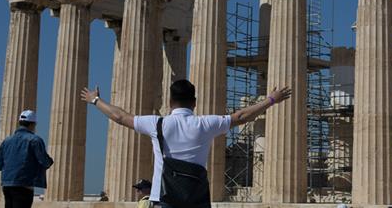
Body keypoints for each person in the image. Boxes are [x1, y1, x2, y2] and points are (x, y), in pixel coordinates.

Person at [82, 79, 291, 206]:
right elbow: (242, 116)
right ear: (195, 102)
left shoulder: (158, 124)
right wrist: (272, 99)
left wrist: (95, 100)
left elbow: (120, 117)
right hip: (196, 198)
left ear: (170, 102)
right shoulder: (205, 124)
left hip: (163, 197)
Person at [0, 110, 53, 208]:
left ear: (19, 123)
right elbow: (44, 162)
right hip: (24, 184)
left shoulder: (6, 141)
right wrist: (50, 161)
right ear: (33, 124)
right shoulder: (35, 140)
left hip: (7, 185)